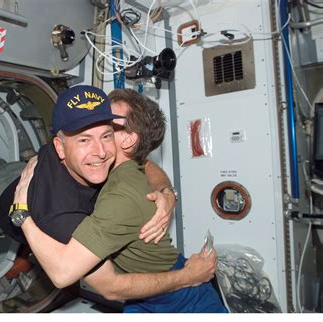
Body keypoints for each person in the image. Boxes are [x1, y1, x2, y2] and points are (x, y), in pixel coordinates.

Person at [0, 85, 216, 301]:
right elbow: (95, 282)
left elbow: (144, 165)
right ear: (61, 145)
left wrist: (166, 192)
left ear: (126, 141)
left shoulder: (90, 146)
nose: (98, 144)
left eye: (107, 130)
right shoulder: (68, 217)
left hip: (19, 171)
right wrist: (22, 213)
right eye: (86, 135)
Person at [14, 88, 226, 312]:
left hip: (182, 296)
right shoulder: (117, 168)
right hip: (145, 291)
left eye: (108, 123)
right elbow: (146, 164)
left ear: (127, 139)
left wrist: (22, 214)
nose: (97, 118)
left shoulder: (120, 197)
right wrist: (167, 191)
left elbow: (63, 274)